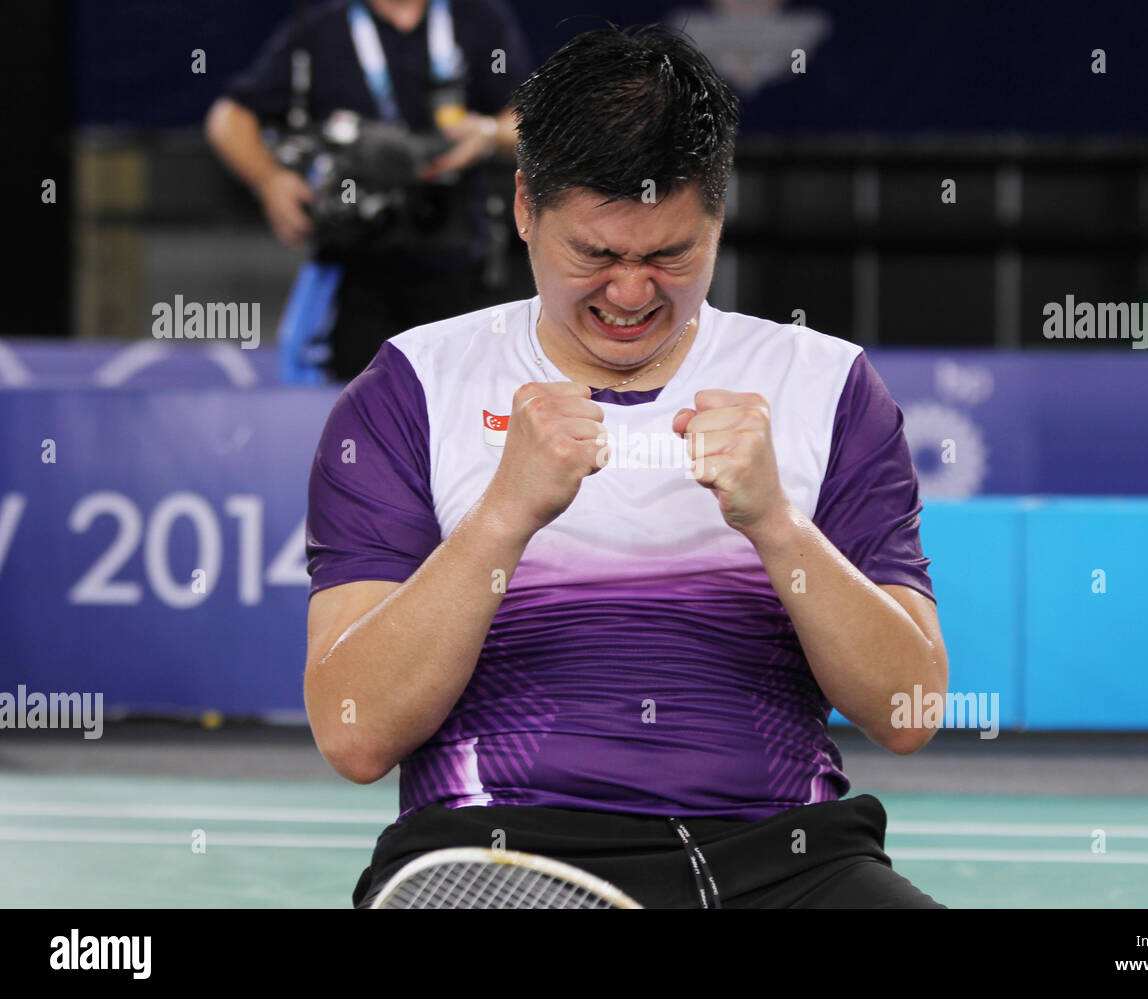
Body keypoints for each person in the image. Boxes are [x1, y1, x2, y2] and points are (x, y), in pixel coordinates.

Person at [303, 24, 949, 909]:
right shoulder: (409, 388)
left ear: (718, 214)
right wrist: (503, 517)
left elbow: (909, 713)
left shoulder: (828, 383)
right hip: (502, 858)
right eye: (597, 255)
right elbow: (354, 734)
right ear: (526, 206)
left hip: (790, 857)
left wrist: (777, 526)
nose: (633, 294)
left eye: (669, 255)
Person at [205, 0, 531, 382]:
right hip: (360, 268)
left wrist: (488, 135)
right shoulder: (320, 27)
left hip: (469, 261)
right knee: (364, 408)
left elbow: (530, 117)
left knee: (473, 405)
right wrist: (269, 180)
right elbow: (228, 118)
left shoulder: (477, 17)